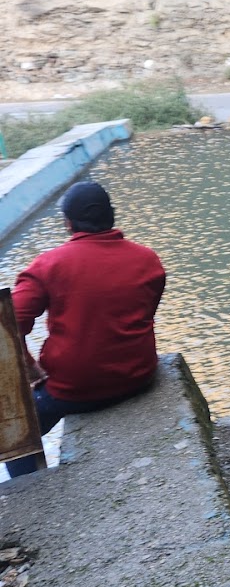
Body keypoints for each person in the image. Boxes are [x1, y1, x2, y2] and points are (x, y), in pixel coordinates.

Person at [10, 182, 166, 454]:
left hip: (74, 389)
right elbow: (145, 313)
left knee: (16, 434)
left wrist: (29, 364)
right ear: (112, 215)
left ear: (68, 224)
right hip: (139, 375)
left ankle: (28, 488)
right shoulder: (148, 259)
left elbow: (8, 325)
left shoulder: (48, 266)